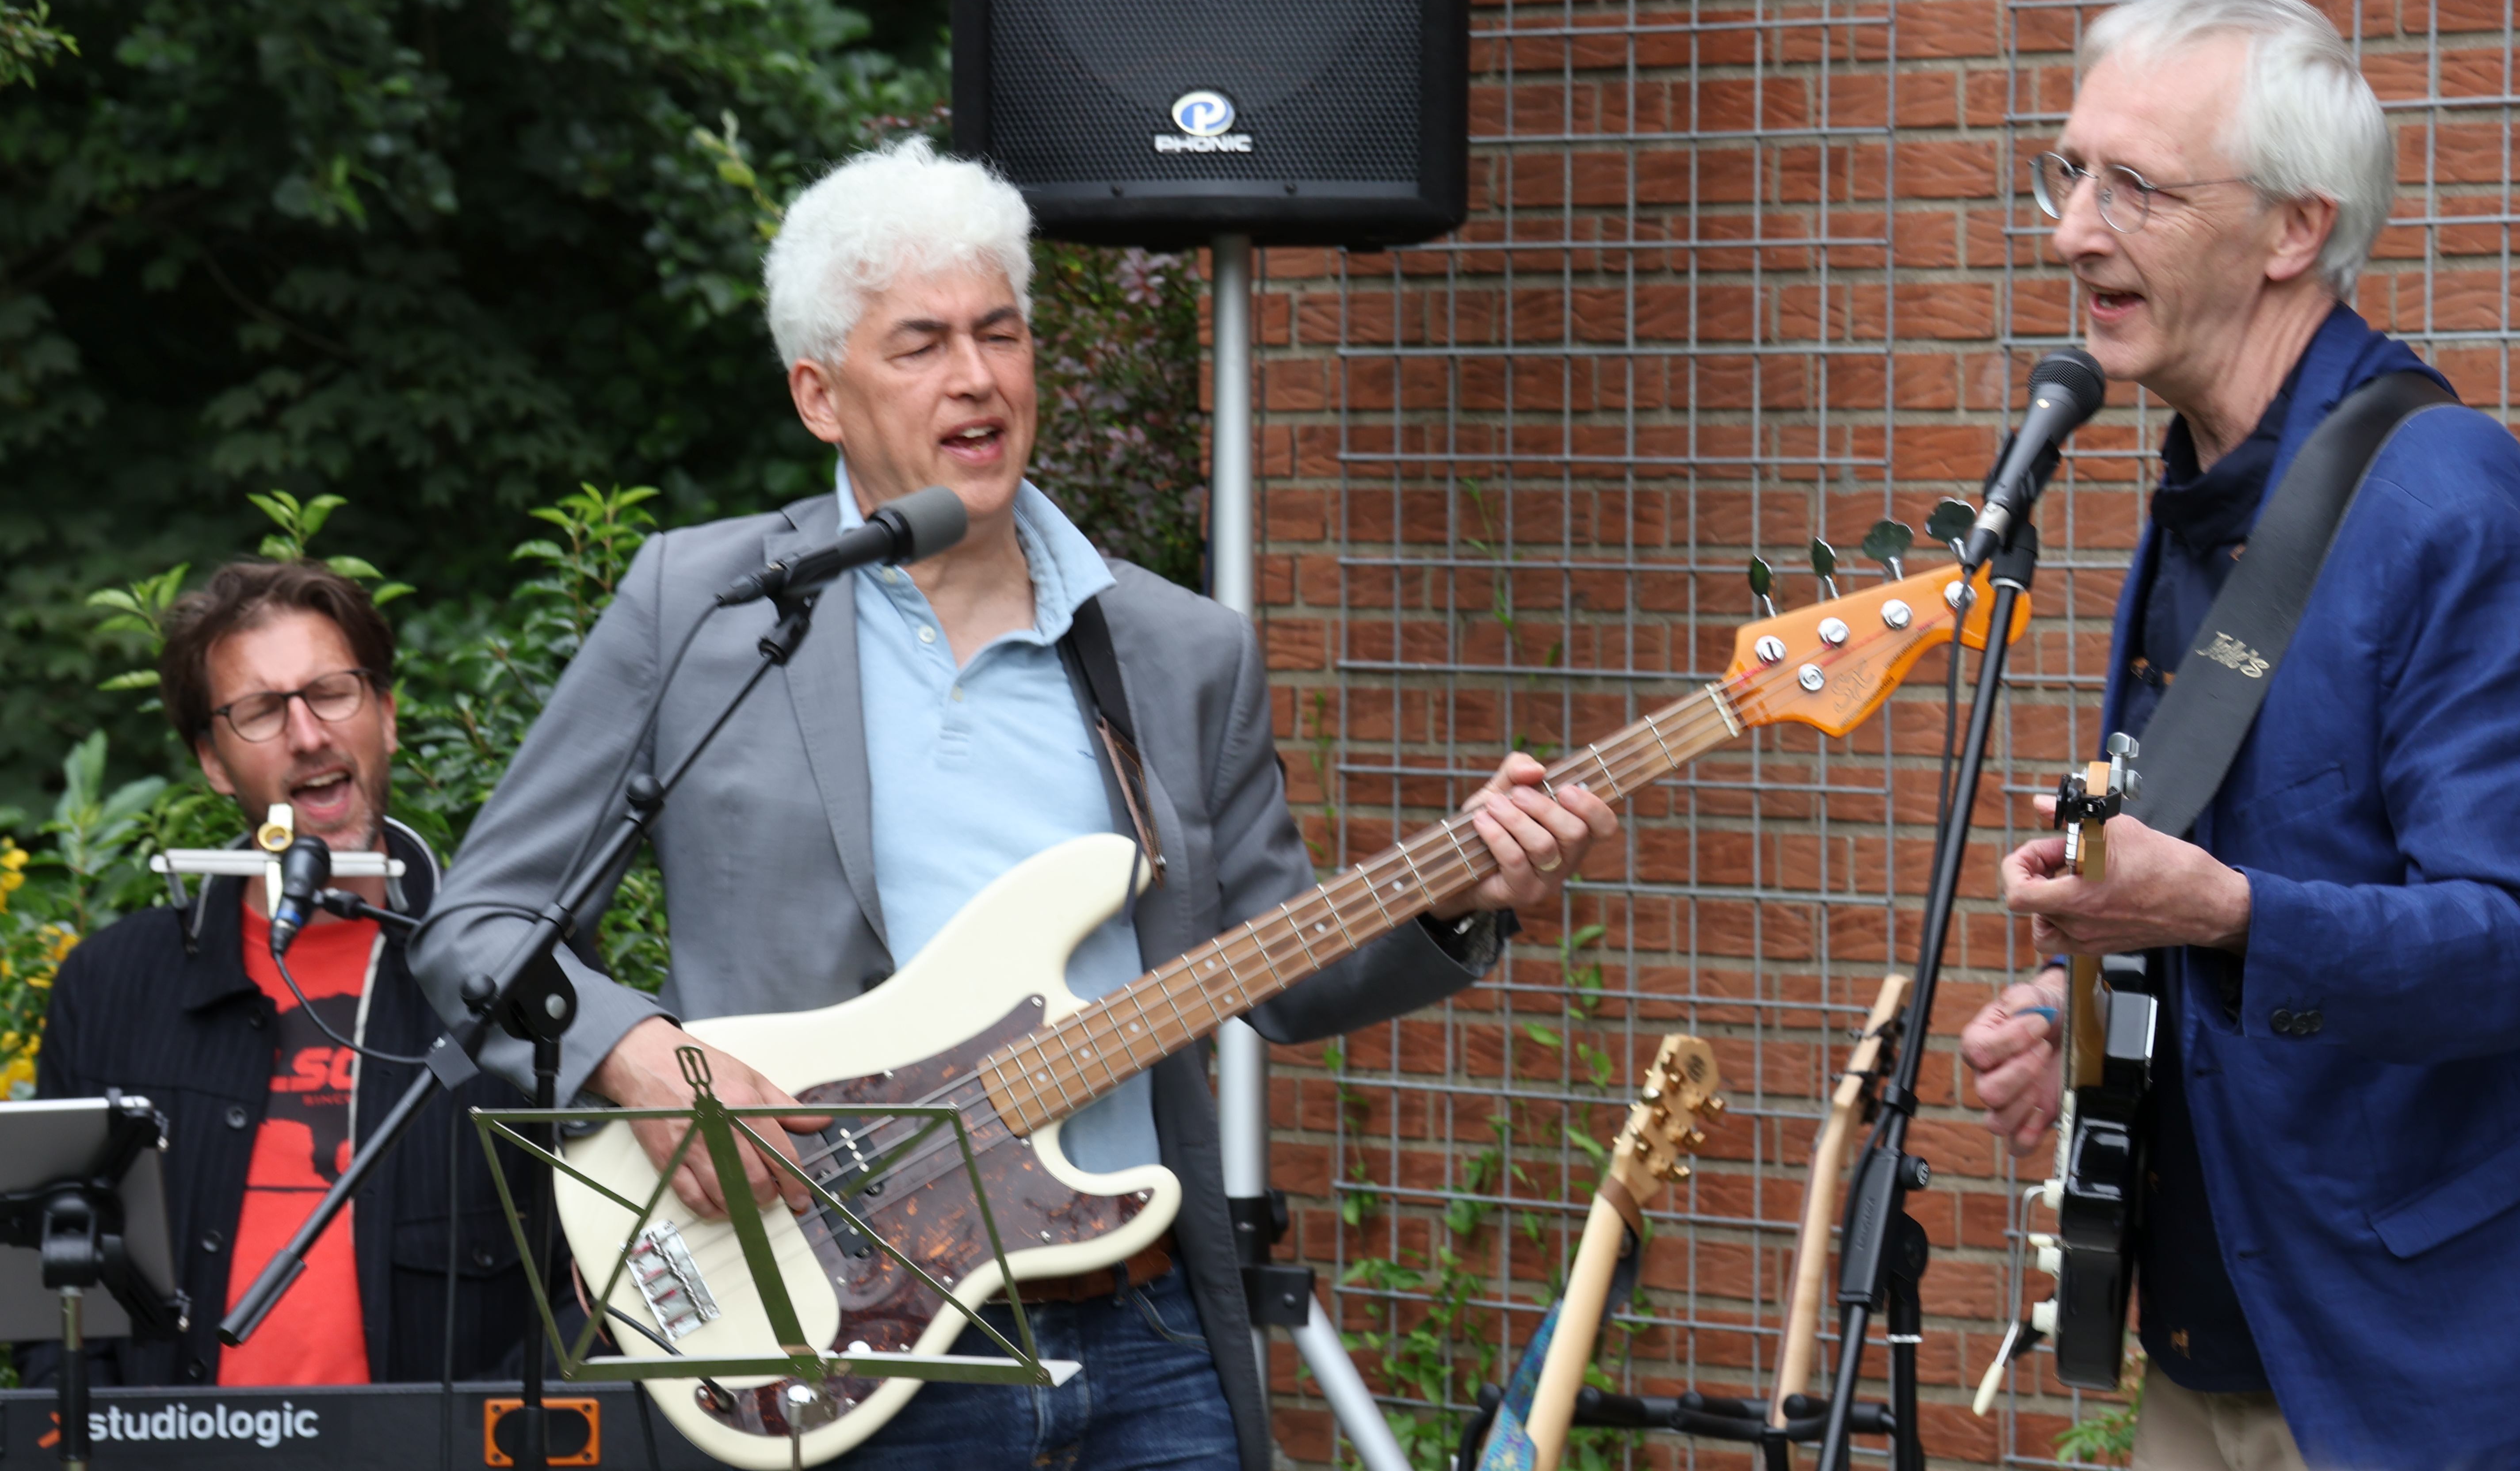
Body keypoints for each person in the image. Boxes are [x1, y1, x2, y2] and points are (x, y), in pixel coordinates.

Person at [406, 136, 1615, 1471]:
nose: (976, 377)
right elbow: (481, 923)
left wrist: (1460, 901)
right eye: (920, 344)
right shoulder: (701, 610)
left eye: (1000, 332)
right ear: (820, 394)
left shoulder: (1175, 649)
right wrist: (643, 1059)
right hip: (836, 1331)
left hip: (1142, 1334)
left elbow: (1277, 970)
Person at [1959, 0, 2520, 1471]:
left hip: (2395, 1378)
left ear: (2292, 230)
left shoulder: (2442, 500)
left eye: (2133, 185)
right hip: (2205, 1348)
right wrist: (2066, 1017)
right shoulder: (2201, 494)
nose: (2074, 229)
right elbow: (2214, 885)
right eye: (2067, 172)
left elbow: (2504, 939)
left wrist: (2223, 910)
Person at [27, 560, 553, 1387]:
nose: (307, 735)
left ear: (386, 715)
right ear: (212, 759)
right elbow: (59, 1303)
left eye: (332, 692)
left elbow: (591, 1286)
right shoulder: (106, 987)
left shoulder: (526, 976)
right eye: (261, 712)